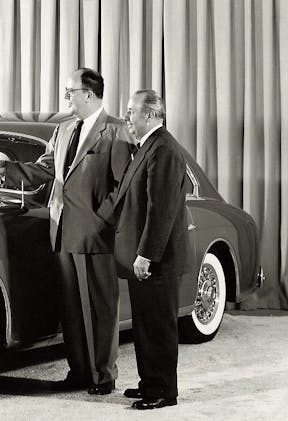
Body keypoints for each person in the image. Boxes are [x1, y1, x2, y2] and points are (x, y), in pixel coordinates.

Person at [0, 68, 133, 395]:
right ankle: (79, 371)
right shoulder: (63, 130)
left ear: (89, 94)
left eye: (70, 91)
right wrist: (6, 169)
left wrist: (100, 219)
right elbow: (44, 169)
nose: (66, 97)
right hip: (62, 231)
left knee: (100, 308)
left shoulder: (117, 131)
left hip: (96, 236)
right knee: (72, 308)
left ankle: (103, 376)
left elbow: (123, 188)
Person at [102, 89, 189, 409]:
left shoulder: (163, 149)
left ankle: (163, 391)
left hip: (157, 261)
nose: (127, 118)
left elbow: (160, 210)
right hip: (148, 259)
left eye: (131, 112)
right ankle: (149, 382)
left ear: (151, 115)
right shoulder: (148, 146)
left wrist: (146, 255)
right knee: (145, 325)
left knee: (158, 327)